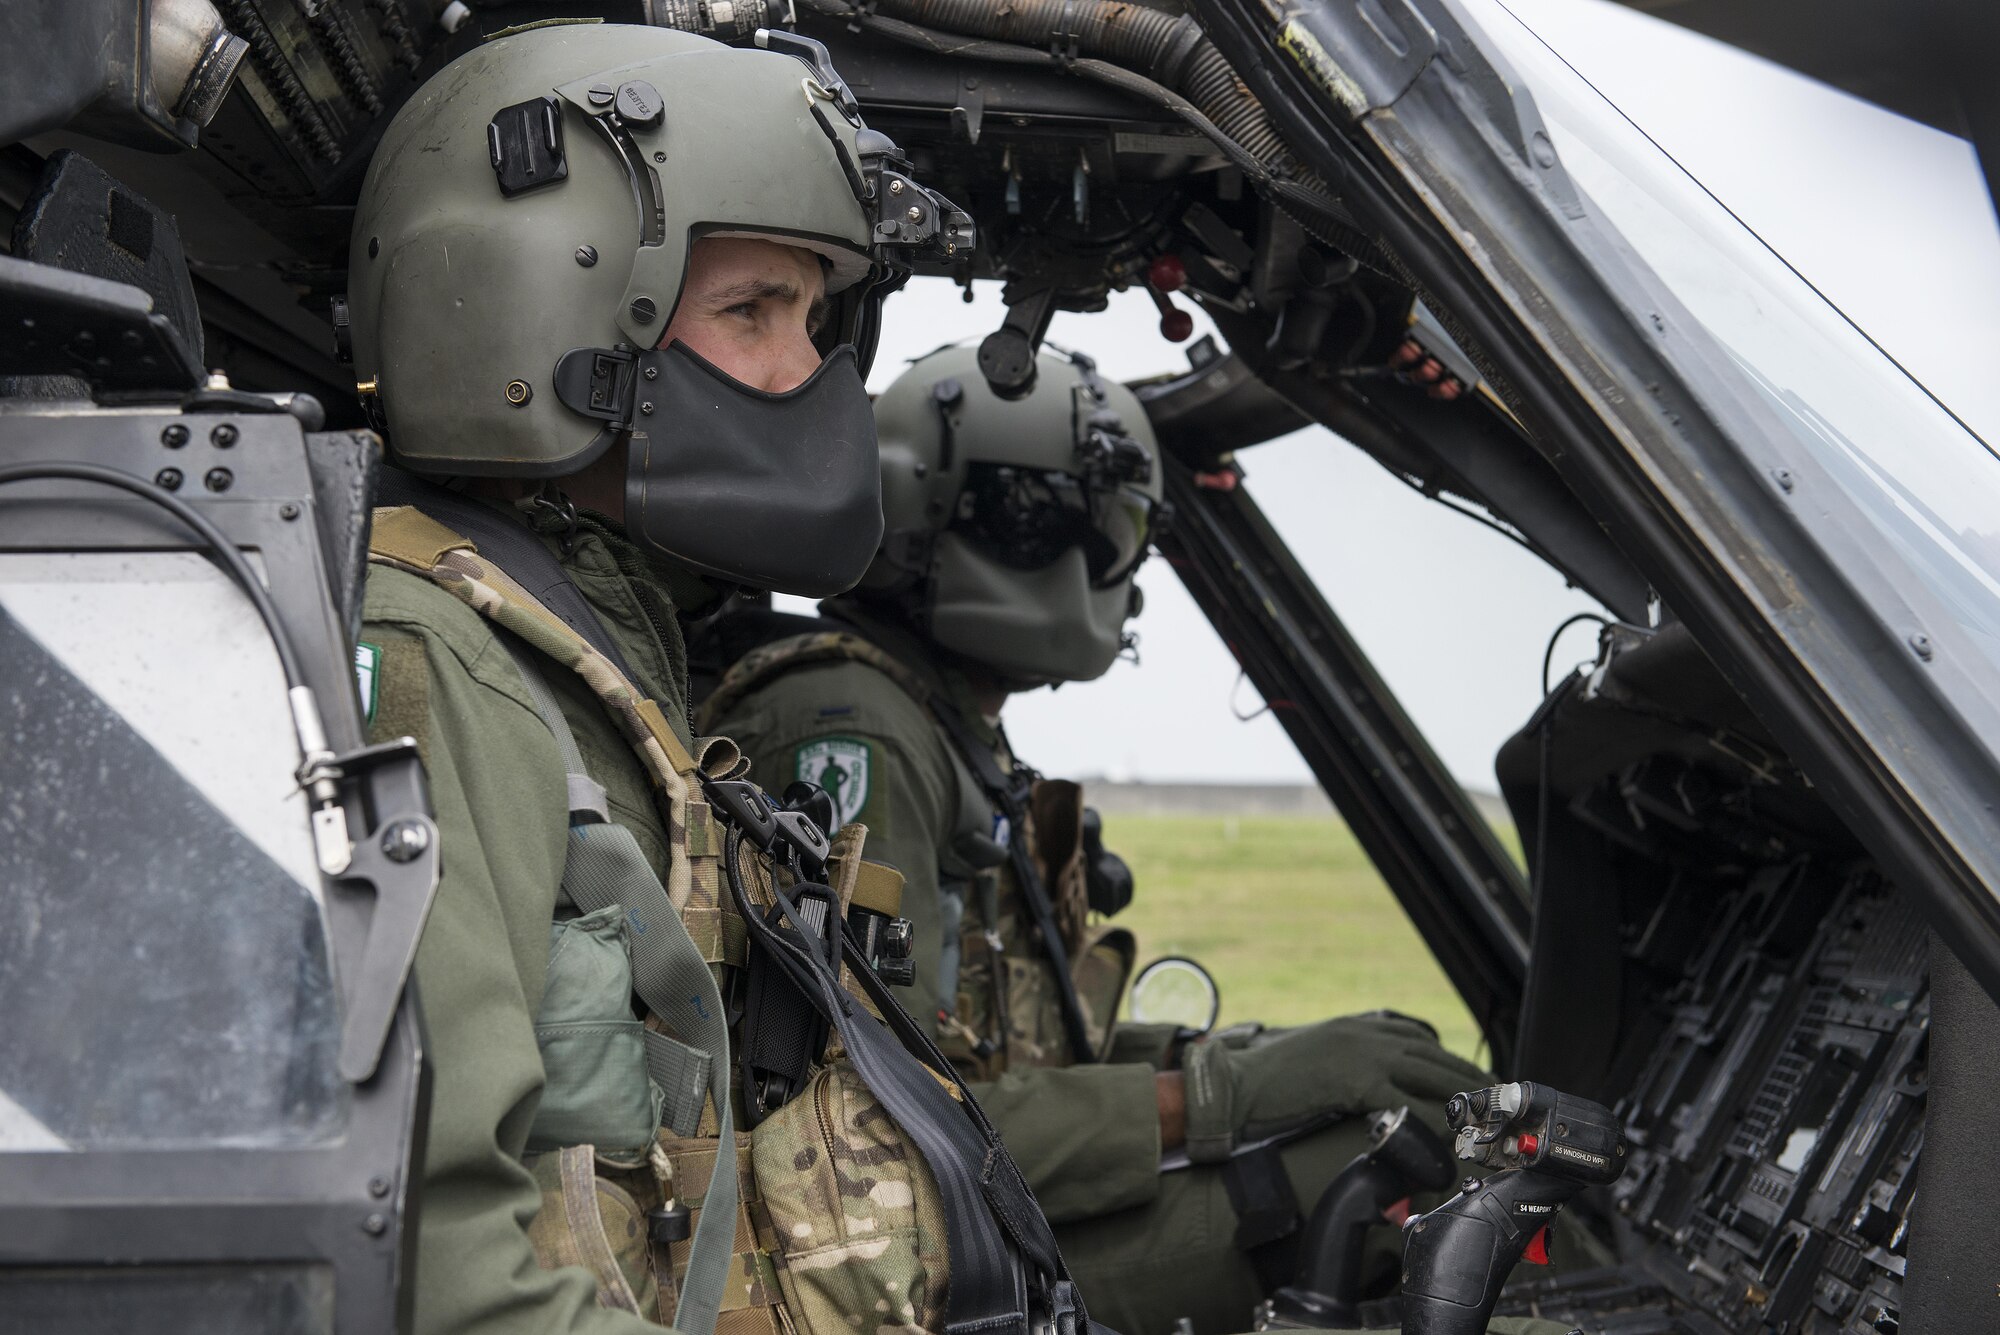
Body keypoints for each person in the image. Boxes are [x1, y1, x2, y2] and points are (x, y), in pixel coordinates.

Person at [340, 24, 1060, 1335]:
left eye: (815, 317)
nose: (810, 372)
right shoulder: (441, 673)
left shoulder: (588, 656)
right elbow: (436, 1280)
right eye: (752, 311)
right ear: (532, 312)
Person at [700, 345, 1497, 1335]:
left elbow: (979, 1051)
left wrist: (1258, 1058)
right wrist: (1221, 1093)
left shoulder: (937, 723)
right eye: (1087, 530)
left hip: (965, 1218)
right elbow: (875, 1123)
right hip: (885, 1269)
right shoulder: (853, 729)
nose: (1107, 577)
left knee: (1363, 1123)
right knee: (1374, 1185)